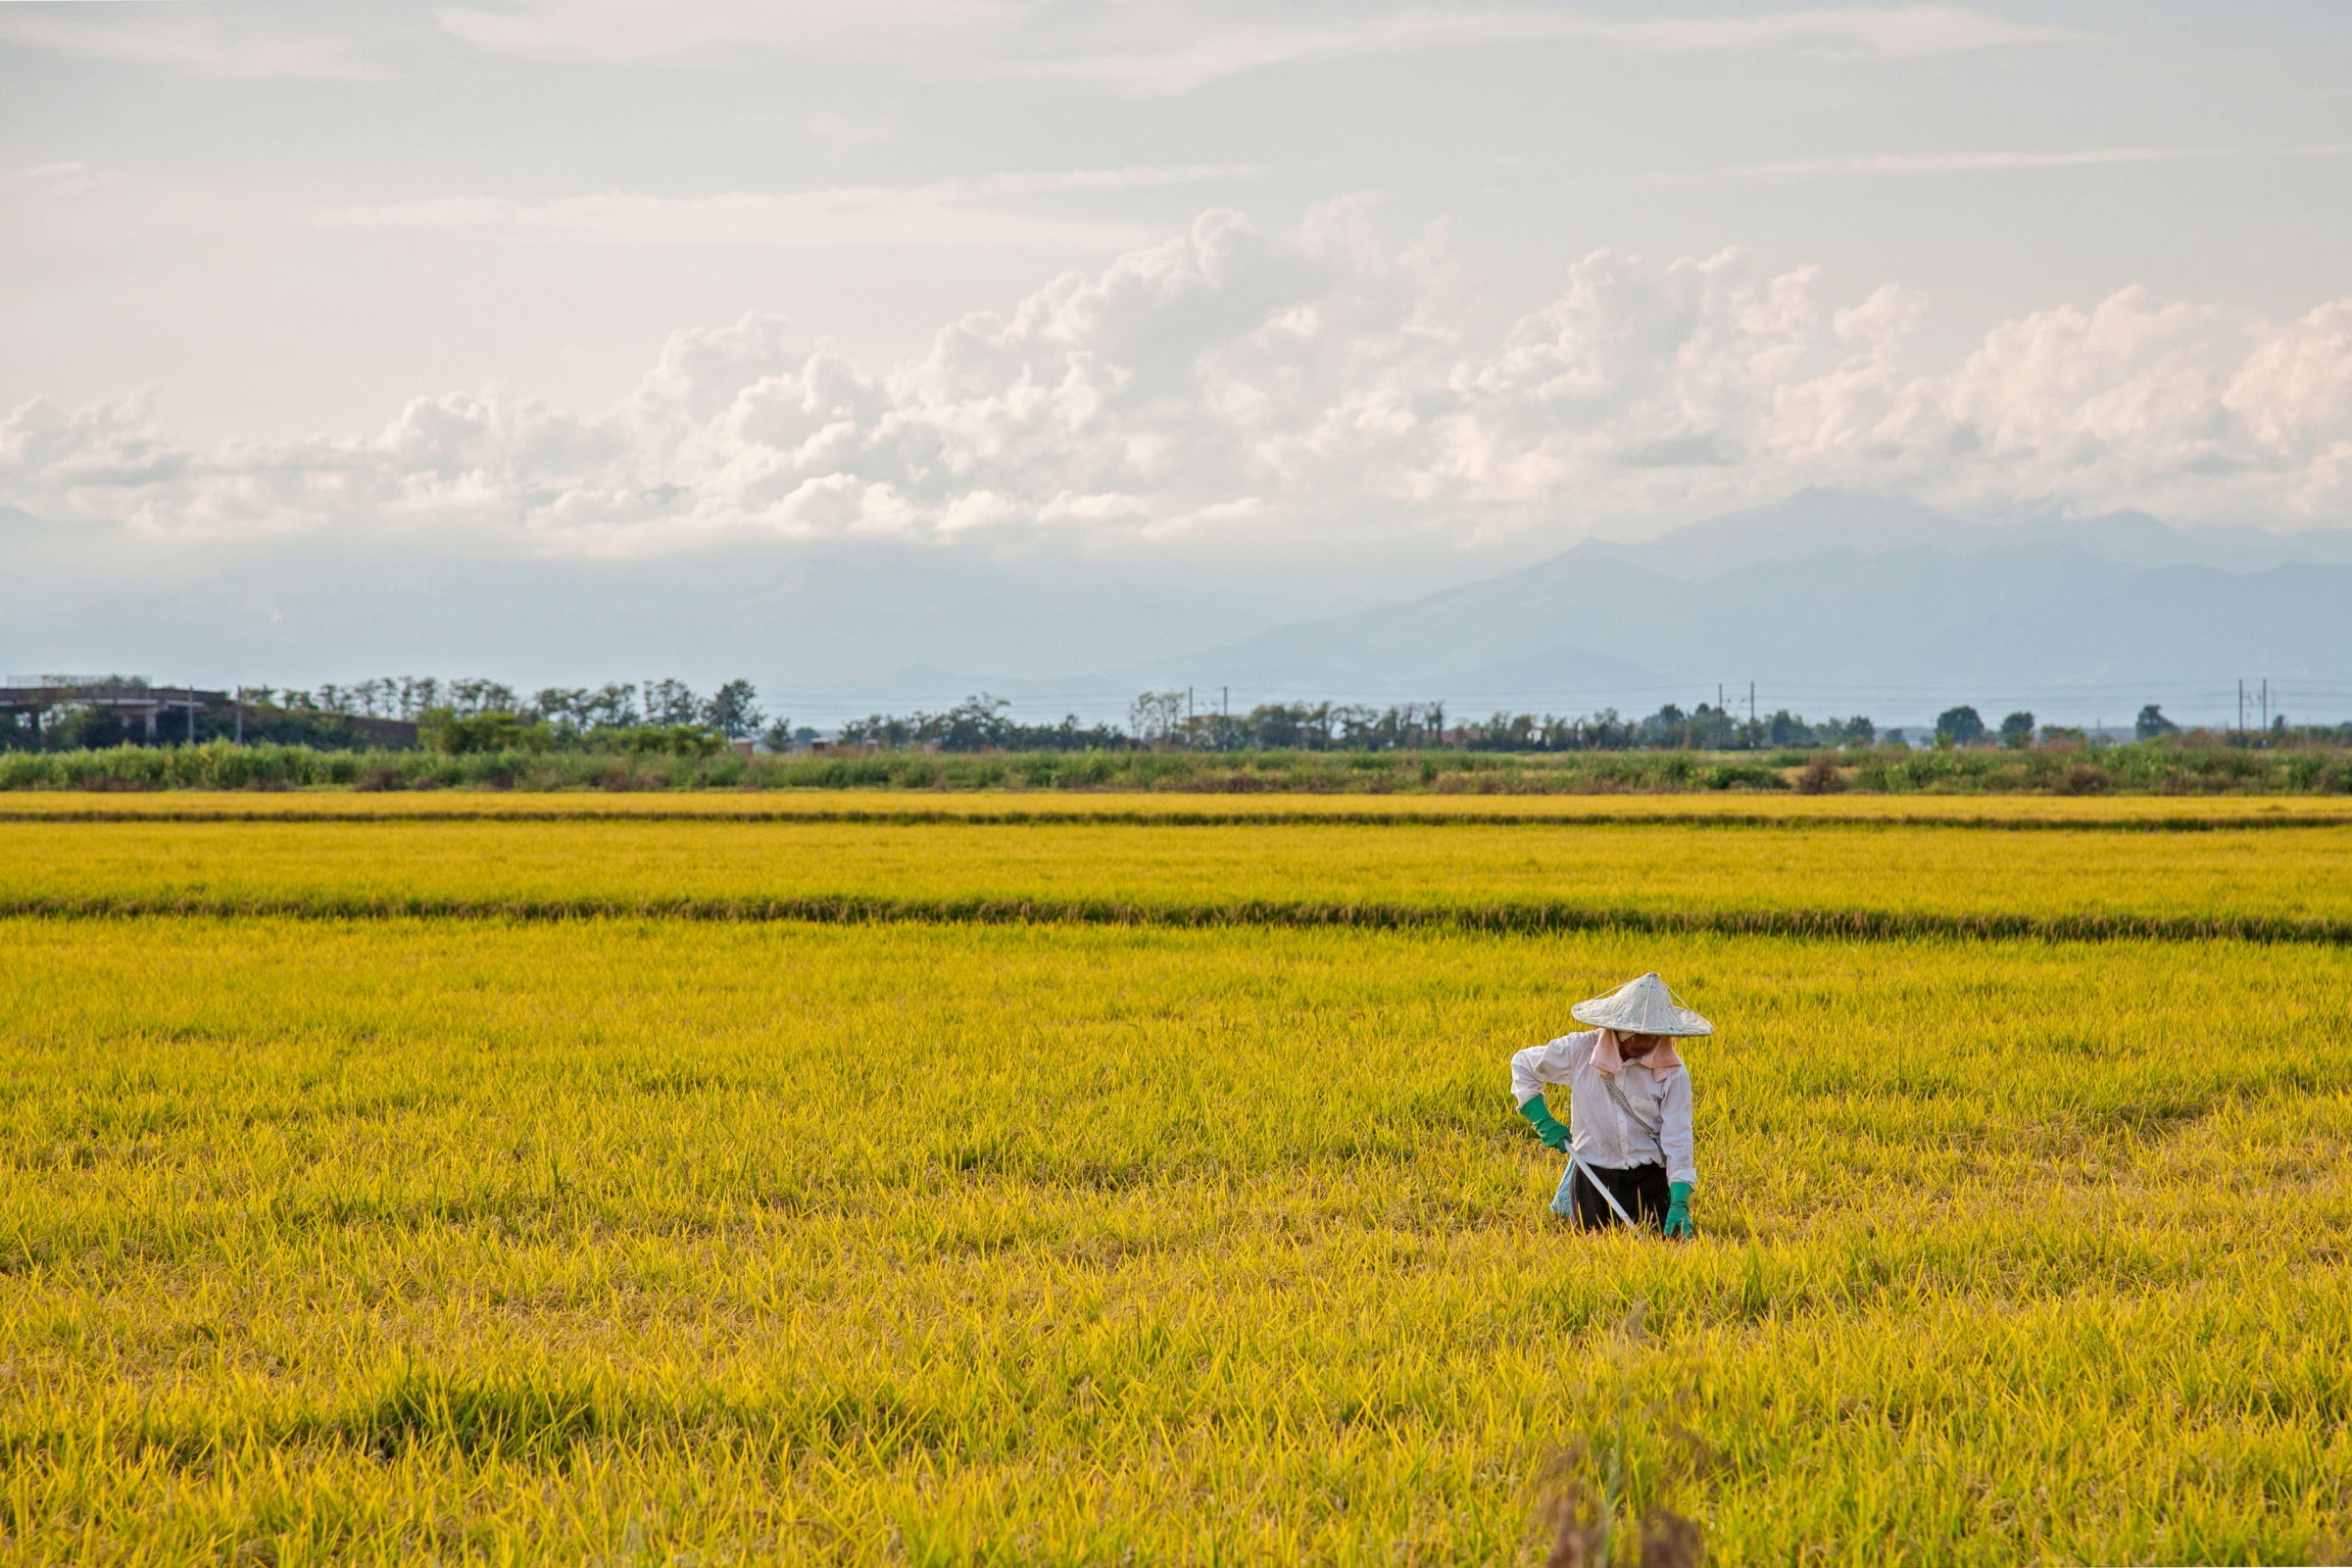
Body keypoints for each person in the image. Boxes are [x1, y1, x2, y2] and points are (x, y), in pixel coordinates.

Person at [1509, 971, 1707, 1238]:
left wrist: (1680, 1200)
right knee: (1591, 1242)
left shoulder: (1672, 1072)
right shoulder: (1579, 1050)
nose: (1648, 1042)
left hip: (1648, 1174)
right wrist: (1542, 1120)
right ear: (1618, 1029)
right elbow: (1523, 1063)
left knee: (1661, 1239)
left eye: (1655, 1035)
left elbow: (1678, 1135)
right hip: (1593, 1173)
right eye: (1640, 1034)